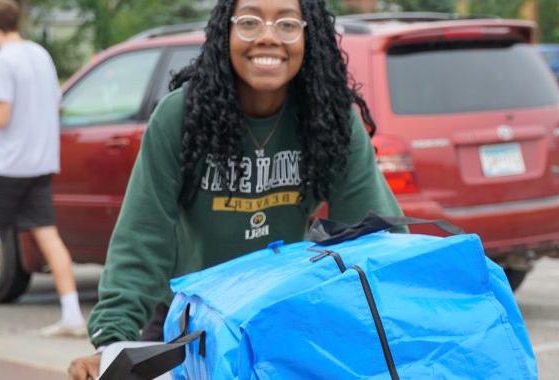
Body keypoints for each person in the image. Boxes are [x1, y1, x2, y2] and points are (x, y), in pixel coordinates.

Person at [68, 0, 406, 378]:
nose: (267, 37)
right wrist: (112, 340)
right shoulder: (179, 117)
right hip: (188, 327)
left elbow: (376, 235)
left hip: (280, 320)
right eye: (249, 22)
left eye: (287, 24)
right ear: (223, 34)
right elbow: (143, 236)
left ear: (309, 37)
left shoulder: (328, 120)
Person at [0, 0, 85, 336]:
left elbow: (0, 116)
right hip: (41, 161)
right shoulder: (40, 54)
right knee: (47, 234)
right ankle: (72, 313)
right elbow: (56, 104)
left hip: (6, 164)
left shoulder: (1, 62)